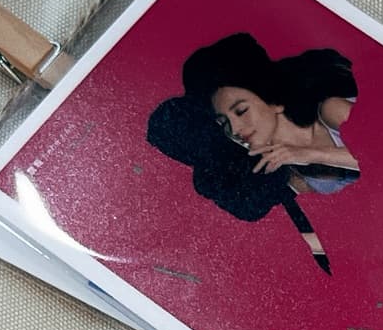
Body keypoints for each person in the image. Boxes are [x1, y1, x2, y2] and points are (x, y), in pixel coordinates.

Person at [146, 32, 359, 273]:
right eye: (224, 123)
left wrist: (307, 154)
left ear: (273, 100)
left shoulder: (330, 111)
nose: (235, 129)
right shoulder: (288, 171)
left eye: (241, 111)